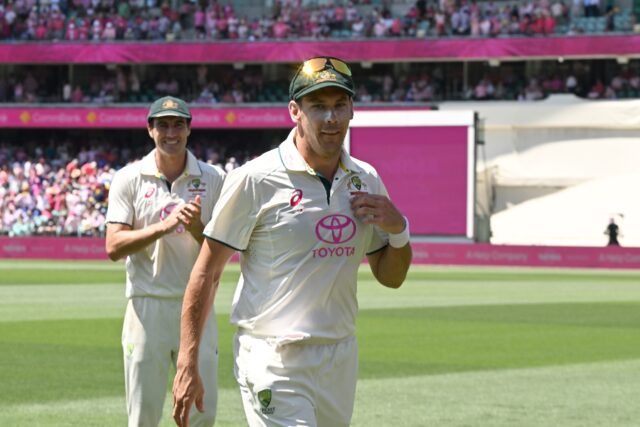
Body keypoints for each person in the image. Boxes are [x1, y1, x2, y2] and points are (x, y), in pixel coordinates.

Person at [172, 57, 412, 427]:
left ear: (352, 110)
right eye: (318, 107)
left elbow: (391, 277)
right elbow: (206, 272)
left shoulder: (366, 178)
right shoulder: (256, 178)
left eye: (338, 106)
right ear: (294, 111)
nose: (330, 118)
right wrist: (187, 362)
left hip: (339, 355)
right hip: (273, 356)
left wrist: (400, 230)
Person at [105, 96, 225, 427]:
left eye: (177, 125)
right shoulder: (129, 178)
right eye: (163, 125)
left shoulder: (213, 178)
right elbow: (113, 246)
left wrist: (199, 227)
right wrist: (165, 226)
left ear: (188, 129)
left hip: (199, 306)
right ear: (150, 130)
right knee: (143, 416)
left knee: (202, 413)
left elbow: (226, 250)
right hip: (147, 308)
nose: (170, 133)